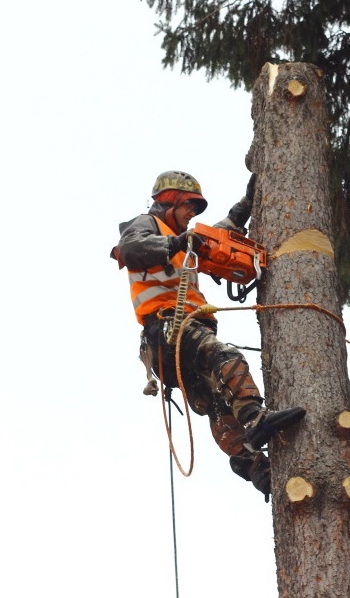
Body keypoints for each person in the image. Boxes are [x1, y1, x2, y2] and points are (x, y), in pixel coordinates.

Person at [111, 170, 305, 501]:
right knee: (225, 357)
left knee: (218, 405)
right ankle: (256, 418)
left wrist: (245, 206)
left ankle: (253, 466)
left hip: (173, 345)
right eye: (189, 206)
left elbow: (218, 238)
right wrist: (175, 242)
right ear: (167, 201)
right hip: (168, 327)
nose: (192, 215)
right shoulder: (146, 228)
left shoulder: (185, 241)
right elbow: (129, 248)